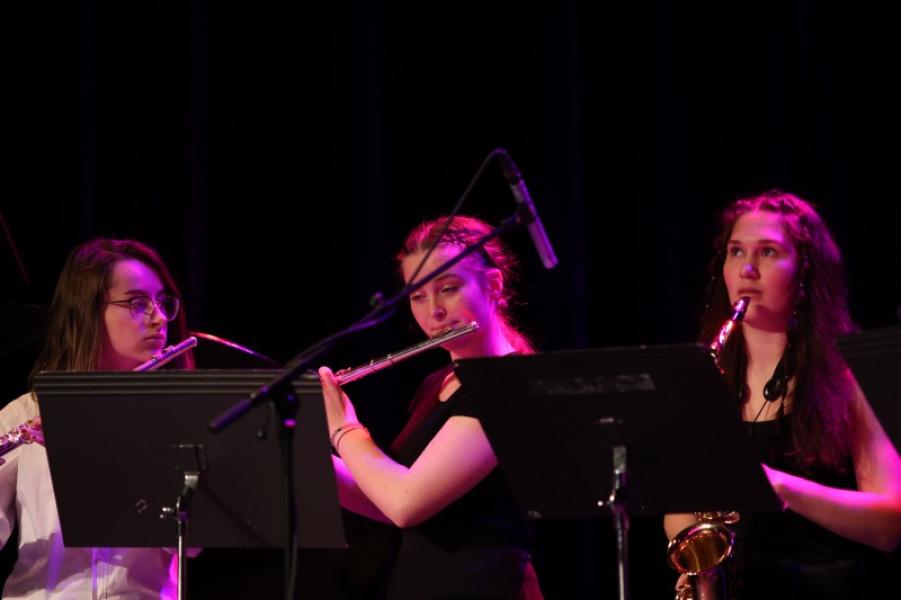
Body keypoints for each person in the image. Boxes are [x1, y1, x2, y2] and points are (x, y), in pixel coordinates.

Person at [664, 190, 901, 598]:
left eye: (768, 252)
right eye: (736, 251)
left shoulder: (847, 381)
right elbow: (680, 509)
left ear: (805, 272)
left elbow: (890, 524)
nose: (747, 269)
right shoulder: (707, 383)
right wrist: (700, 568)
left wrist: (779, 487)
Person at [319, 216, 543, 599]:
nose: (433, 311)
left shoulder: (508, 384)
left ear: (493, 285)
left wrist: (345, 430)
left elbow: (406, 504)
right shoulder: (435, 383)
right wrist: (297, 457)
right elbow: (387, 500)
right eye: (418, 296)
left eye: (448, 289)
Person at [0, 238, 194, 598]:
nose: (159, 317)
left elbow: (191, 541)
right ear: (88, 311)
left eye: (162, 303)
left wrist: (105, 452)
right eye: (138, 303)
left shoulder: (180, 418)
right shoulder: (25, 413)